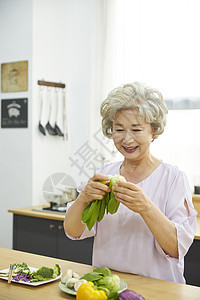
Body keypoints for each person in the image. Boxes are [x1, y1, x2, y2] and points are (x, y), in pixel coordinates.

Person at [64, 82, 197, 283]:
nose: (127, 139)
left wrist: (145, 207)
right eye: (119, 129)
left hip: (158, 290)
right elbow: (73, 231)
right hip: (106, 287)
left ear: (154, 131)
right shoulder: (104, 174)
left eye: (136, 129)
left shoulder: (173, 178)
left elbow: (176, 248)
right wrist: (83, 198)